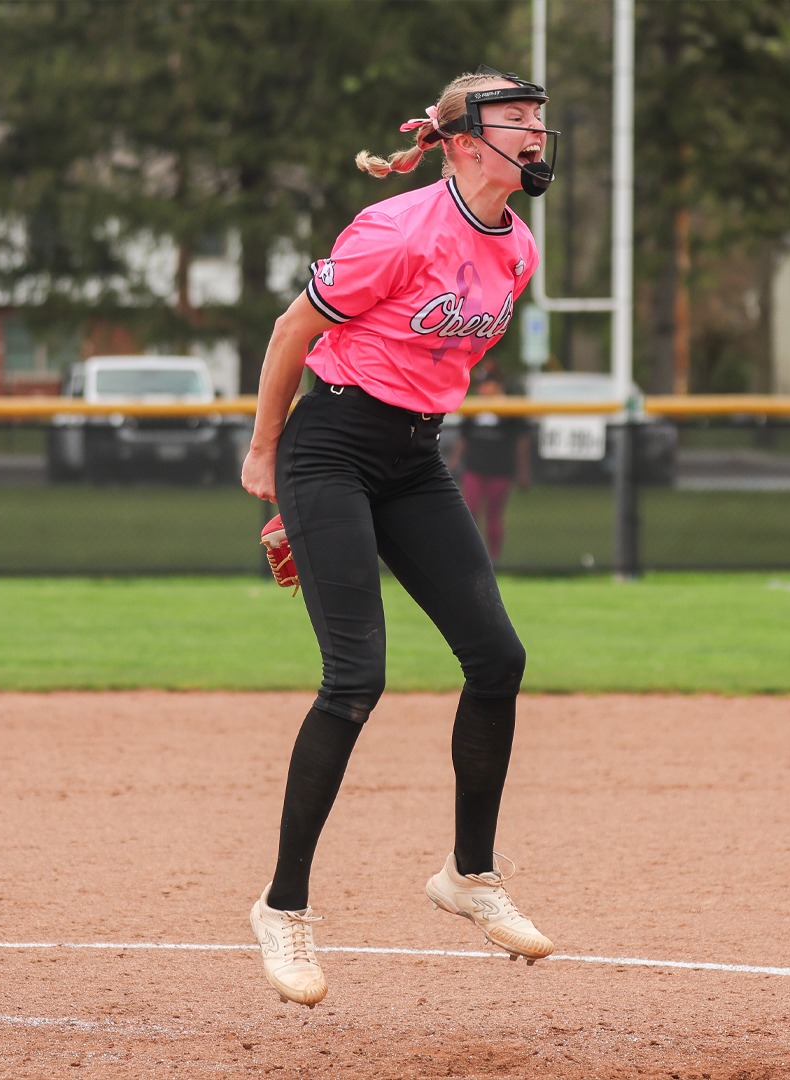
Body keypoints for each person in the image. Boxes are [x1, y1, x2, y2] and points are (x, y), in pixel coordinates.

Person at [240, 67, 560, 1007]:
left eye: (539, 120)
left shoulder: (519, 250)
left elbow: (431, 368)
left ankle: (468, 876)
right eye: (516, 121)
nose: (535, 135)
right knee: (357, 678)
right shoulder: (395, 228)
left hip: (411, 459)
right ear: (462, 140)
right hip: (328, 445)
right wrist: (271, 462)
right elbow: (293, 331)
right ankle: (283, 908)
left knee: (497, 656)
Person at [447, 365, 532, 561]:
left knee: (494, 514)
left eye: (488, 384)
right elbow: (463, 438)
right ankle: (470, 556)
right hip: (474, 467)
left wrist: (523, 471)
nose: (484, 389)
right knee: (470, 511)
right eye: (481, 385)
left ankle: (493, 558)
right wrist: (452, 463)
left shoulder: (511, 408)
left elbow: (522, 442)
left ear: (498, 385)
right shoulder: (474, 407)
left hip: (500, 469)